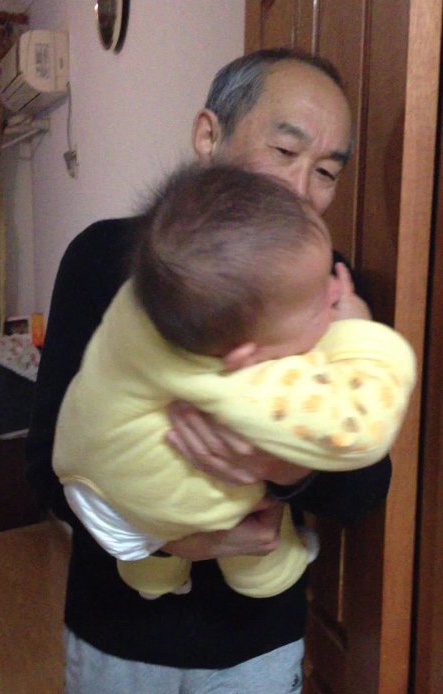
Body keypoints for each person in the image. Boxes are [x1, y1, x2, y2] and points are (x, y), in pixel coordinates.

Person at [26, 49, 393, 694]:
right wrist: (167, 538)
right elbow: (49, 466)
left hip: (257, 639)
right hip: (119, 629)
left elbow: (365, 486)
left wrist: (285, 470)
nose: (303, 189)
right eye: (285, 151)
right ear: (208, 135)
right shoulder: (107, 257)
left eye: (327, 170)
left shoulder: (326, 285)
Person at [52, 162, 415, 602]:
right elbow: (363, 427)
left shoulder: (154, 293)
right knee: (244, 483)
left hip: (86, 469)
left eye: (326, 170)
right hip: (155, 506)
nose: (336, 290)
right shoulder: (253, 383)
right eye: (320, 298)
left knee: (166, 475)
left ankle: (152, 576)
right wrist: (357, 331)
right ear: (247, 356)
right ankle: (267, 574)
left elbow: (363, 492)